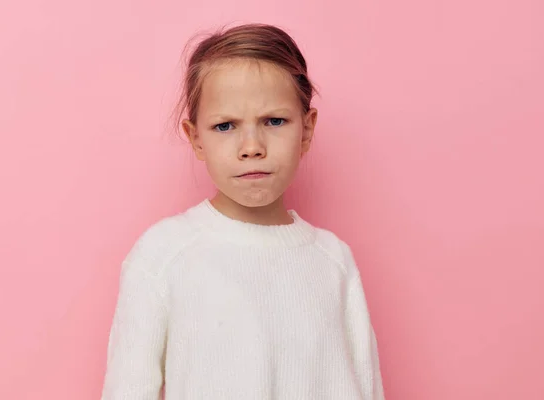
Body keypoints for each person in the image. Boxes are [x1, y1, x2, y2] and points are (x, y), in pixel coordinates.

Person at [101, 23, 384, 400]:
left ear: (307, 129)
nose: (251, 146)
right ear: (195, 137)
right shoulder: (163, 255)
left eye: (274, 121)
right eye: (224, 126)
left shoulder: (334, 261)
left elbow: (366, 388)